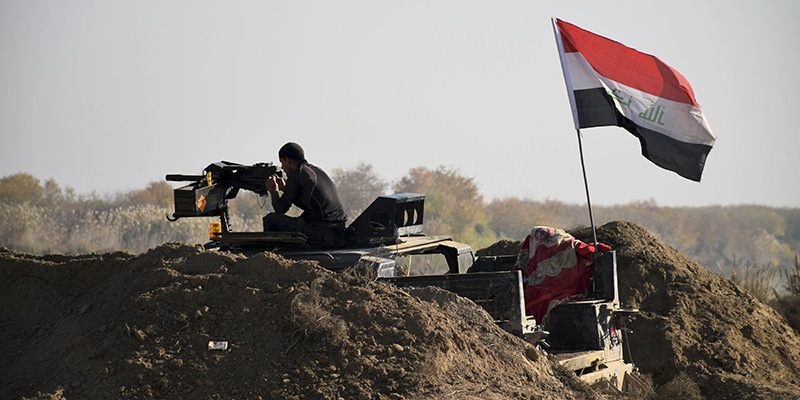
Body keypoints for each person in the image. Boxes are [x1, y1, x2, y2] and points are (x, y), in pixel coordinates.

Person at [263, 142, 347, 247]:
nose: (282, 167)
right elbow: (309, 204)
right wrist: (285, 188)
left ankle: (272, 255)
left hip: (320, 232)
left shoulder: (297, 175)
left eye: (282, 162)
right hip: (336, 233)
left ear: (288, 160)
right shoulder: (314, 171)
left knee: (270, 220)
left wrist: (273, 191)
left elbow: (280, 209)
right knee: (300, 220)